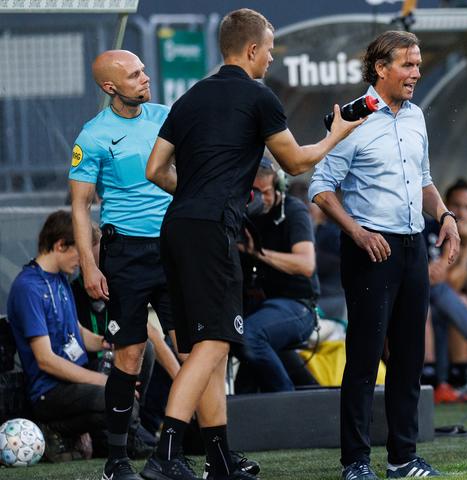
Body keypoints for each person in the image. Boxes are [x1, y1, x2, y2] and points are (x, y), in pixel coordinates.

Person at [142, 8, 363, 480]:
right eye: (270, 48)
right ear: (251, 50)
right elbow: (297, 162)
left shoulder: (189, 97)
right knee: (213, 344)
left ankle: (219, 457)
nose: (272, 56)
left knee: (208, 346)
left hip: (177, 226)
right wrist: (336, 135)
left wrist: (196, 196)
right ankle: (166, 454)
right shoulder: (258, 96)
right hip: (212, 231)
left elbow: (155, 170)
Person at [310, 30, 458, 480]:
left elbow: (424, 178)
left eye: (418, 64)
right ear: (381, 69)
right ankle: (354, 463)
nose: (417, 72)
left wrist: (446, 214)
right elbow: (320, 187)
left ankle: (402, 458)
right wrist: (356, 232)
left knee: (411, 359)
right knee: (364, 357)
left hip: (413, 245)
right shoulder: (352, 119)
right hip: (371, 250)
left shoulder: (415, 117)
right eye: (408, 65)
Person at [67, 49, 176, 480]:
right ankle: (117, 461)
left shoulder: (166, 116)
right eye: (134, 75)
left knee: (194, 351)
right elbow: (79, 207)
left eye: (144, 70)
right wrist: (90, 267)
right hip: (125, 254)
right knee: (129, 355)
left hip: (174, 249)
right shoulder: (92, 136)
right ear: (110, 87)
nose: (145, 78)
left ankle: (183, 452)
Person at [5, 211, 136, 461]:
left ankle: (119, 435)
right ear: (61, 245)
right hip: (51, 390)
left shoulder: (61, 279)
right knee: (115, 396)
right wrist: (103, 380)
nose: (85, 260)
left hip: (77, 377)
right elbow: (45, 360)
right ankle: (57, 429)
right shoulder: (28, 287)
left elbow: (76, 332)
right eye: (82, 251)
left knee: (141, 350)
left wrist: (107, 342)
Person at [236, 159, 319, 393]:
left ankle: (286, 407)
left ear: (279, 187)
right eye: (252, 192)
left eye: (264, 192)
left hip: (297, 306)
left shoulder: (294, 211)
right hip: (258, 307)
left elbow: (306, 264)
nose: (259, 199)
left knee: (249, 336)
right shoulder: (243, 215)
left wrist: (258, 253)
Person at [423, 179, 467, 403]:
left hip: (448, 302)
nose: (461, 212)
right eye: (456, 205)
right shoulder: (428, 229)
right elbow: (438, 279)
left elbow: (466, 284)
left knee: (448, 306)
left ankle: (443, 381)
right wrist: (461, 246)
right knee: (434, 302)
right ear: (445, 205)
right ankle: (460, 376)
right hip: (427, 295)